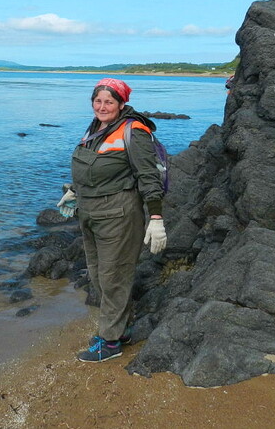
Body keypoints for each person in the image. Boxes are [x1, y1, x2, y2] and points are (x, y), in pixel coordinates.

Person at [57, 77, 167, 363]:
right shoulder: (96, 127)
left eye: (109, 101)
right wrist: (73, 191)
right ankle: (121, 328)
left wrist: (156, 217)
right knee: (98, 274)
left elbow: (148, 176)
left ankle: (110, 343)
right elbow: (94, 168)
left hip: (118, 214)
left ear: (121, 104)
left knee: (113, 276)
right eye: (98, 100)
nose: (102, 106)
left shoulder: (134, 131)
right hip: (90, 212)